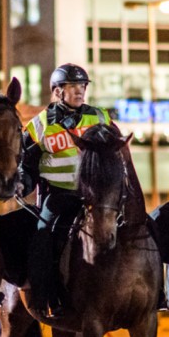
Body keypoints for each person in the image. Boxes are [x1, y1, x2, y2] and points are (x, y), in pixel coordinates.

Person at [18, 63, 111, 317]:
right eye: (73, 86)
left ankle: (153, 292)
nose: (80, 91)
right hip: (58, 195)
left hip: (96, 195)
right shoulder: (39, 125)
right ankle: (43, 297)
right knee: (42, 235)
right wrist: (21, 183)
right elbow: (26, 166)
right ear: (58, 91)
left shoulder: (99, 117)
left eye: (82, 86)